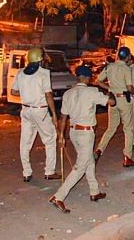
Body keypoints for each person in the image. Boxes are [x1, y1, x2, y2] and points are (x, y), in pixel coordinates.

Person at [49, 66, 112, 213]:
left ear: (77, 77)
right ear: (88, 78)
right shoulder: (91, 92)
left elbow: (63, 117)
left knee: (89, 160)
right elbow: (111, 102)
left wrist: (61, 136)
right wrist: (109, 90)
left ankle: (94, 191)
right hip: (85, 133)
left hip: (73, 132)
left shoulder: (68, 93)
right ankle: (59, 196)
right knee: (80, 167)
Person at [10, 47, 61, 182]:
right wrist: (54, 114)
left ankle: (26, 172)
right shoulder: (44, 73)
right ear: (40, 59)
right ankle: (49, 171)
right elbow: (48, 94)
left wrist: (27, 93)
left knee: (25, 143)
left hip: (26, 110)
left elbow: (13, 92)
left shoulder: (20, 73)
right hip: (40, 110)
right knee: (50, 139)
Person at [94, 46, 134, 167]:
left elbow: (98, 81)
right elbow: (130, 87)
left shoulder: (109, 67)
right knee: (128, 129)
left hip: (113, 99)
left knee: (111, 128)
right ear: (128, 57)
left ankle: (99, 150)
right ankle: (127, 157)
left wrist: (109, 88)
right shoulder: (126, 69)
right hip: (124, 99)